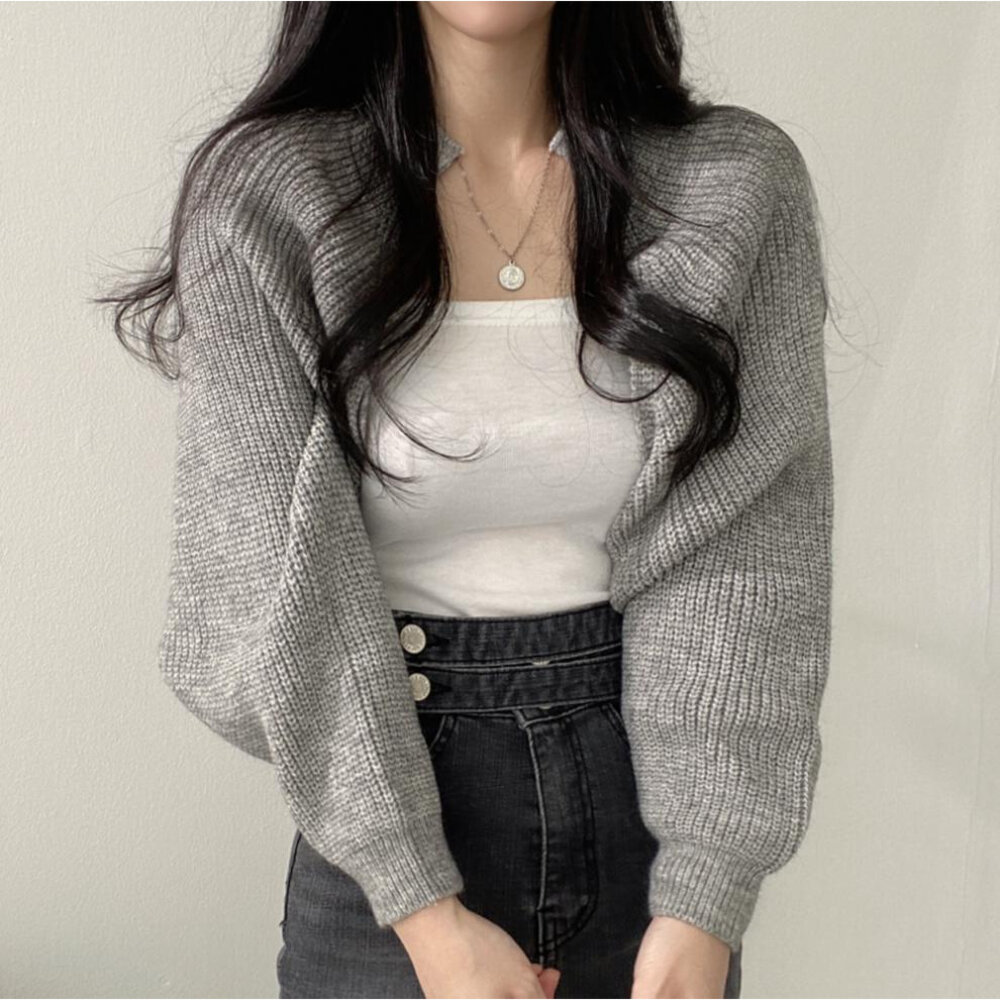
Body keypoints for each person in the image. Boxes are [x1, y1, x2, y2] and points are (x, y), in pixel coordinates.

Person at [99, 2, 833, 997]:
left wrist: (706, 892)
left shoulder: (733, 183)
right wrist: (425, 912)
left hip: (659, 834)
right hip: (385, 831)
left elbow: (751, 551)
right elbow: (258, 585)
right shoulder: (270, 193)